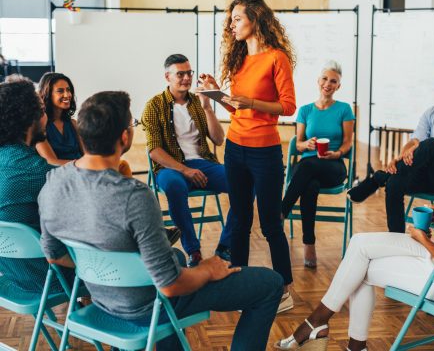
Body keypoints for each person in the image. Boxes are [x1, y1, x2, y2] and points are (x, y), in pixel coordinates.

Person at [39, 91, 284, 351]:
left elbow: (54, 255)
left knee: (176, 257)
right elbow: (170, 285)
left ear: (83, 134)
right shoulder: (134, 196)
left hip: (101, 298)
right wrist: (208, 269)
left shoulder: (53, 182)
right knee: (270, 284)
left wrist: (107, 268)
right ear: (125, 137)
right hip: (147, 306)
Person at [275, 107, 434, 351]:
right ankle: (330, 332)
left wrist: (421, 238)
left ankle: (320, 325)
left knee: (361, 269)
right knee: (358, 245)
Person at [205, 0, 296, 313]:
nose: (231, 25)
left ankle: (284, 289)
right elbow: (235, 105)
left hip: (265, 151)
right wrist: (218, 93)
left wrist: (252, 103)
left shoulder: (276, 58)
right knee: (239, 219)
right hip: (235, 147)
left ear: (256, 19)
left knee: (271, 223)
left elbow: (288, 106)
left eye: (237, 19)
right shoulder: (238, 58)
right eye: (230, 20)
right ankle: (241, 286)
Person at [348, 57, 434, 233]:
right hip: (428, 176)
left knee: (432, 144)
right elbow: (414, 141)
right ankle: (396, 239)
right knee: (395, 182)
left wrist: (419, 149)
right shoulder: (432, 111)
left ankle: (378, 178)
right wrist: (400, 156)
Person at [141, 54, 235, 267]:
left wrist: (208, 106)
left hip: (203, 163)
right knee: (174, 186)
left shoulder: (197, 103)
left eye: (189, 73)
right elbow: (155, 151)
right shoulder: (154, 106)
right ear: (168, 76)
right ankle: (193, 251)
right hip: (170, 167)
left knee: (245, 183)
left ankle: (226, 247)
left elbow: (218, 139)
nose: (186, 78)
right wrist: (184, 170)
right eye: (180, 74)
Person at [0, 79, 72, 293]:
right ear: (29, 119)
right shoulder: (39, 172)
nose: (46, 117)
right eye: (41, 110)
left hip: (10, 274)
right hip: (47, 277)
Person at [281, 61, 354, 268]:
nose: (328, 84)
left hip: (333, 166)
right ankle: (309, 245)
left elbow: (348, 141)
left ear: (338, 86)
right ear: (318, 81)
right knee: (309, 184)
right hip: (308, 164)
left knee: (306, 169)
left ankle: (281, 211)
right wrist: (307, 144)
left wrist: (337, 153)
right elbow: (299, 142)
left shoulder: (344, 109)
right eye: (325, 79)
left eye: (333, 81)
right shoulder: (305, 110)